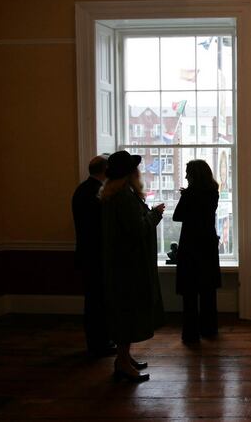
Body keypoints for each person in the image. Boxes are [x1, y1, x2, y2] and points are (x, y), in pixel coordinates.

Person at [100, 150, 165, 382]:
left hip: (121, 265)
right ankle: (122, 362)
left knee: (124, 312)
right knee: (127, 313)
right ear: (129, 173)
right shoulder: (124, 197)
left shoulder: (113, 195)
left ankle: (124, 357)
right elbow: (137, 230)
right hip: (128, 267)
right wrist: (155, 215)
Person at [173, 159, 221, 344]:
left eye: (187, 172)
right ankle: (209, 329)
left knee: (190, 292)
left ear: (194, 174)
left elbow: (177, 216)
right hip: (208, 244)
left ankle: (191, 333)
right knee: (208, 290)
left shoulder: (189, 194)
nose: (185, 176)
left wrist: (185, 197)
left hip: (190, 244)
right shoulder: (213, 192)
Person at [72, 154, 116, 357]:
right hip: (96, 254)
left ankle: (98, 342)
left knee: (94, 301)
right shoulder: (95, 192)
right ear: (105, 170)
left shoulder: (82, 190)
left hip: (87, 252)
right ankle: (99, 343)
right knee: (97, 302)